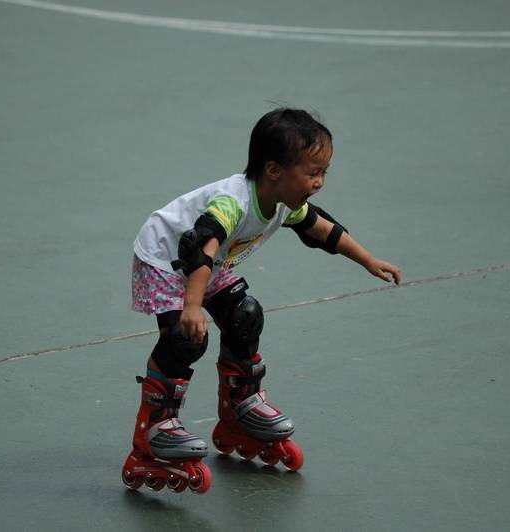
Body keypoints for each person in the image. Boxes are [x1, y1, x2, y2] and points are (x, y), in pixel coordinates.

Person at [121, 108, 402, 494]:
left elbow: (323, 229)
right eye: (312, 172)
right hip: (167, 258)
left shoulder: (284, 201)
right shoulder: (233, 203)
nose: (319, 182)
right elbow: (200, 250)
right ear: (274, 170)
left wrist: (368, 260)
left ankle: (240, 409)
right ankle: (153, 431)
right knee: (186, 338)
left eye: (324, 172)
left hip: (209, 262)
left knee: (245, 315)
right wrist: (192, 307)